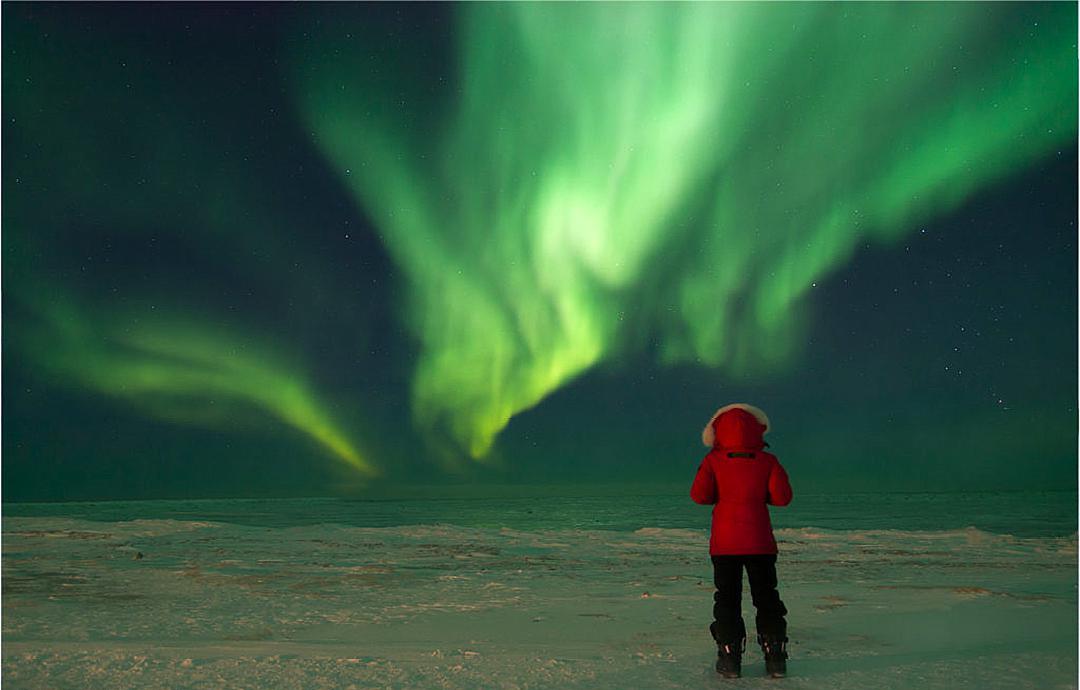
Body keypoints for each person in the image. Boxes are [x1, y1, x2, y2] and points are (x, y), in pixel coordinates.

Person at [690, 403, 792, 678]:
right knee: (767, 598)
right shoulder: (768, 462)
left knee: (727, 600)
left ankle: (729, 659)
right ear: (757, 430)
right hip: (760, 542)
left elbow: (699, 496)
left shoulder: (713, 461)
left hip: (725, 544)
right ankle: (775, 658)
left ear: (717, 432)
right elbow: (783, 498)